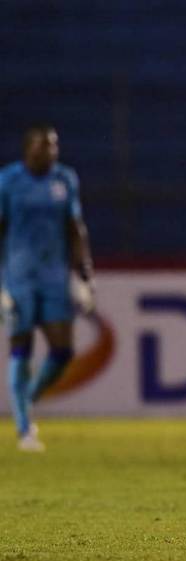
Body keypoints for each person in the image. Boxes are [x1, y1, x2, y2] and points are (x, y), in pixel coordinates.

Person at [0, 124, 94, 452]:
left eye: (53, 146)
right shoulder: (8, 181)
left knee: (63, 350)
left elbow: (75, 227)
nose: (50, 152)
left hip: (54, 276)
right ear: (28, 149)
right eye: (43, 146)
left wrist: (84, 275)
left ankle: (27, 398)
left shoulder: (64, 179)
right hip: (17, 276)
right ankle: (25, 429)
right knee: (21, 346)